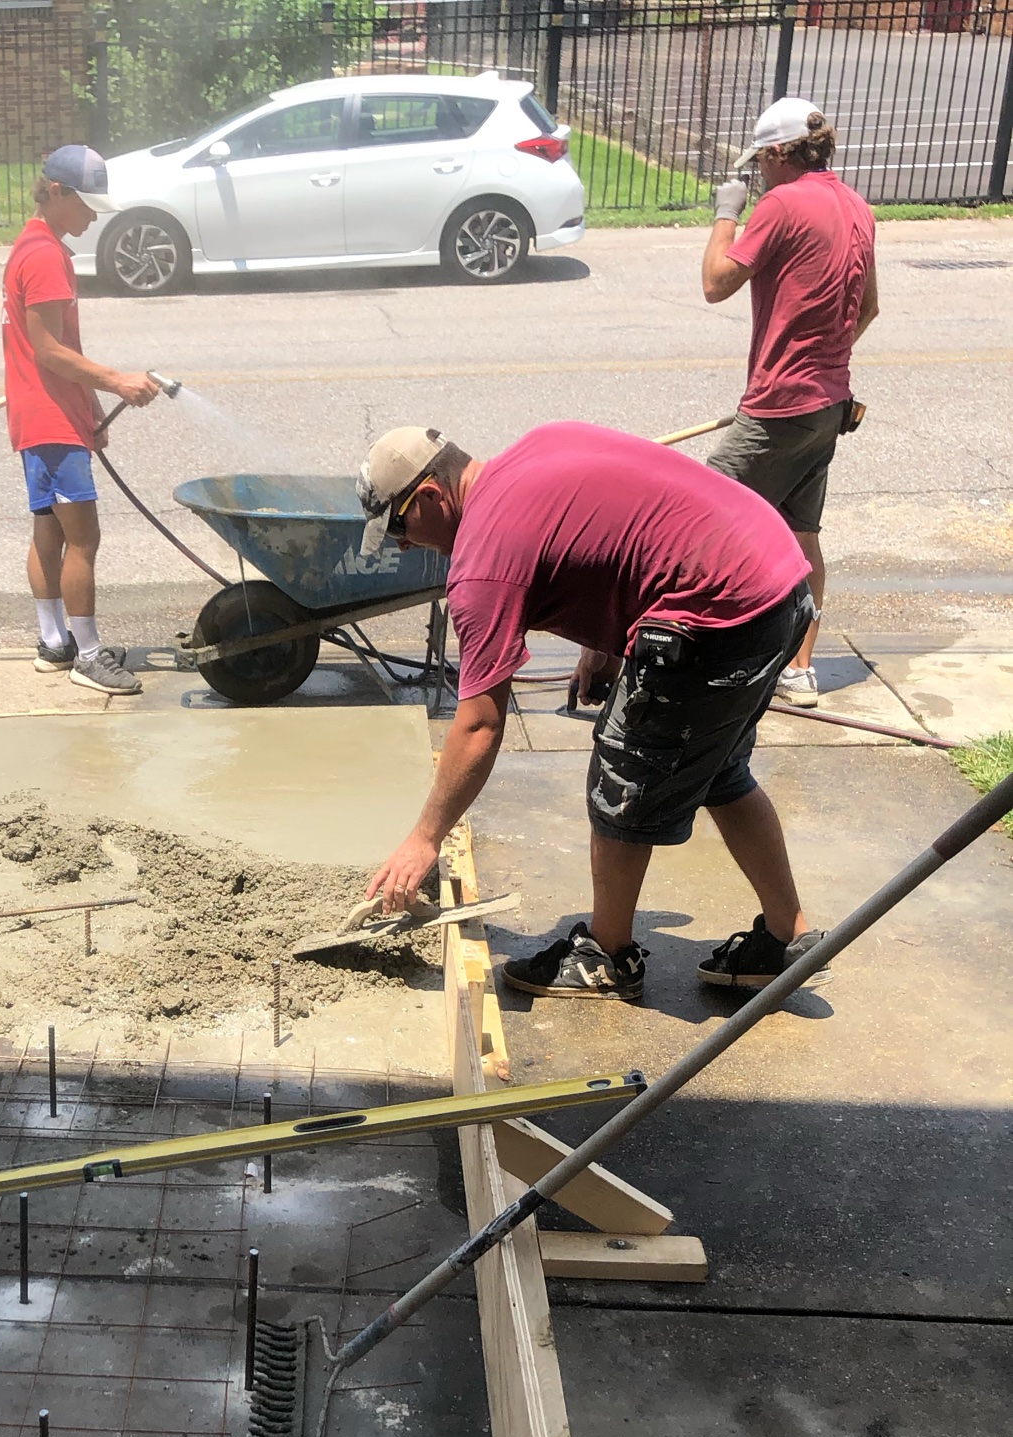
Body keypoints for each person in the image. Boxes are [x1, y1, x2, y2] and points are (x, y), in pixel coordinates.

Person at [357, 419, 823, 1002]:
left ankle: (608, 957)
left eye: (399, 526)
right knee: (720, 770)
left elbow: (479, 725)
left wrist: (424, 839)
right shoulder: (540, 443)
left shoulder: (480, 563)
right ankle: (787, 937)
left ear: (430, 495)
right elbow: (619, 527)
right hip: (777, 581)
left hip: (720, 612)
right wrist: (601, 647)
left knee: (622, 773)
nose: (402, 543)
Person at [703, 97, 878, 709]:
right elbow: (869, 308)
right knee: (800, 535)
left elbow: (716, 283)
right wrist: (821, 363)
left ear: (779, 153)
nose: (758, 177)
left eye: (761, 164)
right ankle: (799, 671)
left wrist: (727, 215)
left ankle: (699, 657)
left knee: (698, 513)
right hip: (828, 404)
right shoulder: (856, 206)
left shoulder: (781, 203)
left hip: (780, 406)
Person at [4, 145, 160, 696]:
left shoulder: (36, 245)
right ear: (57, 193)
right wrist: (117, 381)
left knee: (48, 530)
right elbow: (47, 349)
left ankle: (54, 642)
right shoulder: (45, 256)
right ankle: (88, 656)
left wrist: (92, 403)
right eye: (87, 206)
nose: (93, 218)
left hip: (41, 416)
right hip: (50, 420)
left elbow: (64, 343)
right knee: (83, 540)